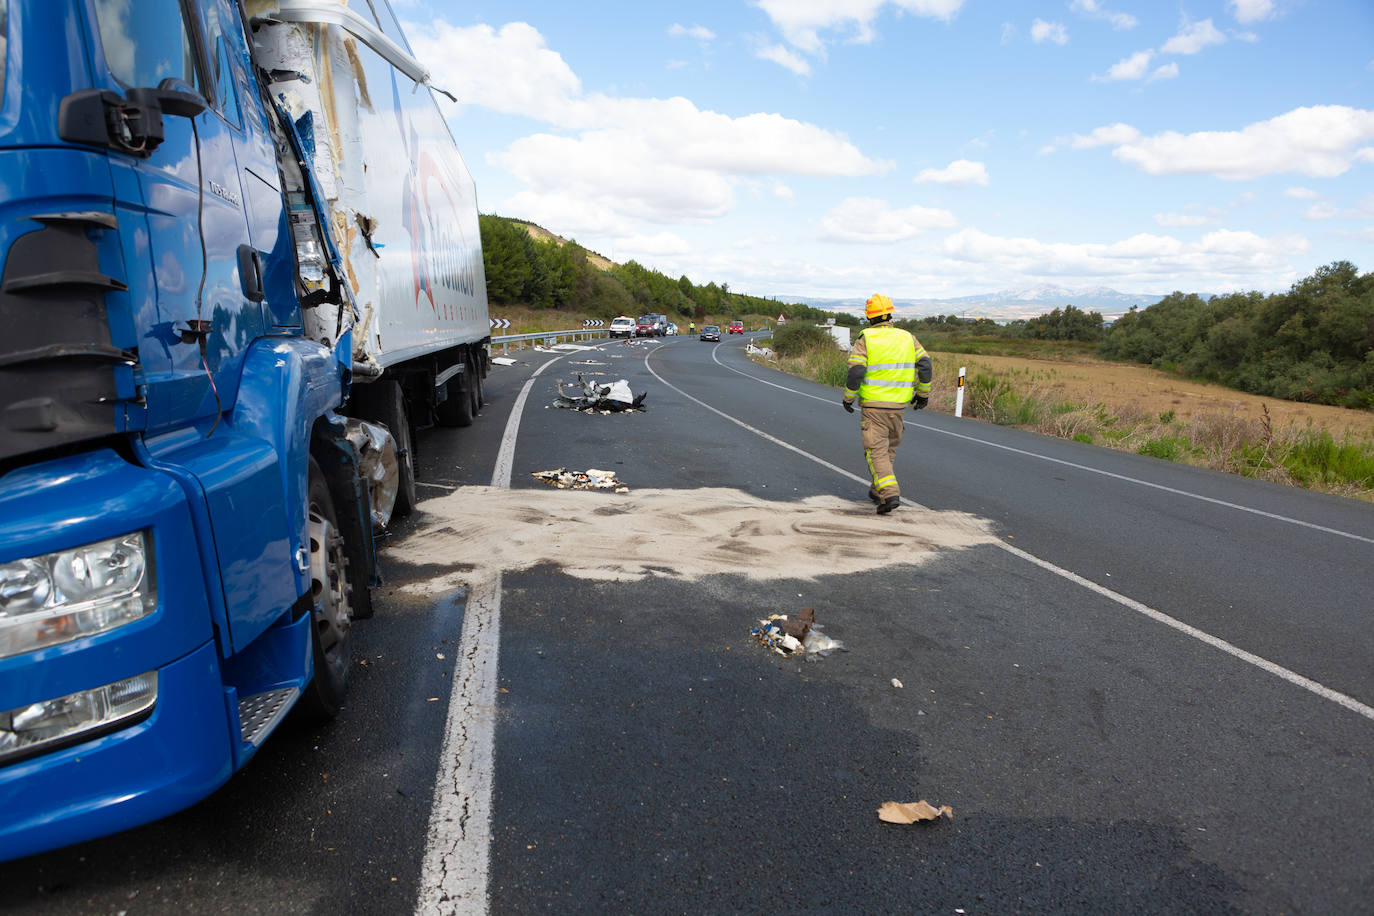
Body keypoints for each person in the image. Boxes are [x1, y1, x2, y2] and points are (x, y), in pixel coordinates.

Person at [841, 294, 932, 514]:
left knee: (875, 452)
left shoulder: (866, 338)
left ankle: (889, 493)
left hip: (874, 407)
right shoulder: (907, 337)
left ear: (869, 317)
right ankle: (877, 490)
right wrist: (923, 394)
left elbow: (856, 371)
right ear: (889, 314)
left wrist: (848, 397)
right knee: (888, 450)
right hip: (899, 408)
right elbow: (926, 365)